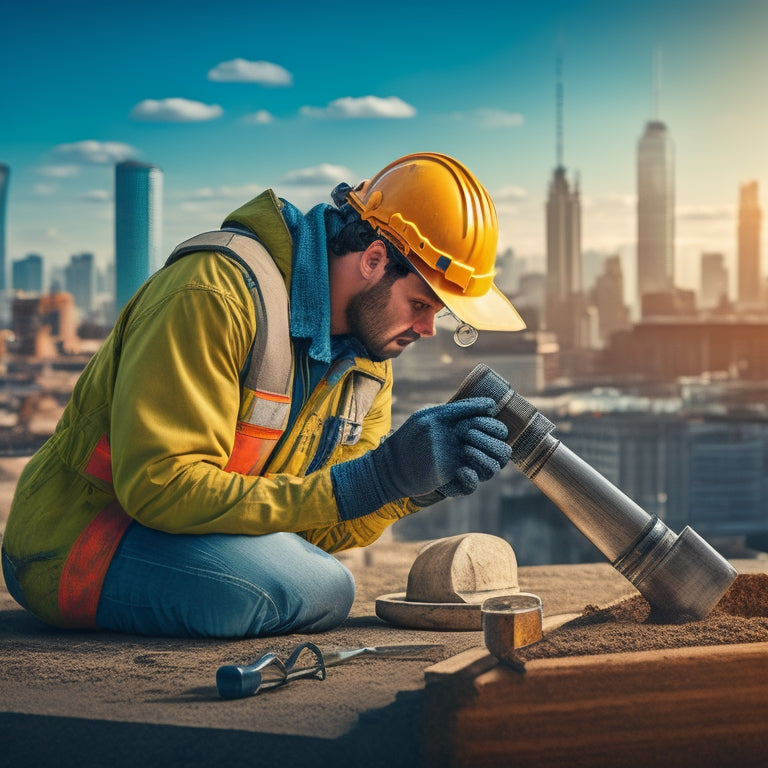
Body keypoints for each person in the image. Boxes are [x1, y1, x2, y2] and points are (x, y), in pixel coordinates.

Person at [2, 152, 526, 638]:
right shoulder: (213, 295)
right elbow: (159, 486)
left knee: (314, 576)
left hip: (187, 531)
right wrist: (373, 476)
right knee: (312, 587)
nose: (427, 328)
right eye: (420, 303)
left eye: (441, 314)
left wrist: (413, 485)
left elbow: (317, 529)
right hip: (81, 541)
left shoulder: (367, 363)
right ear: (372, 259)